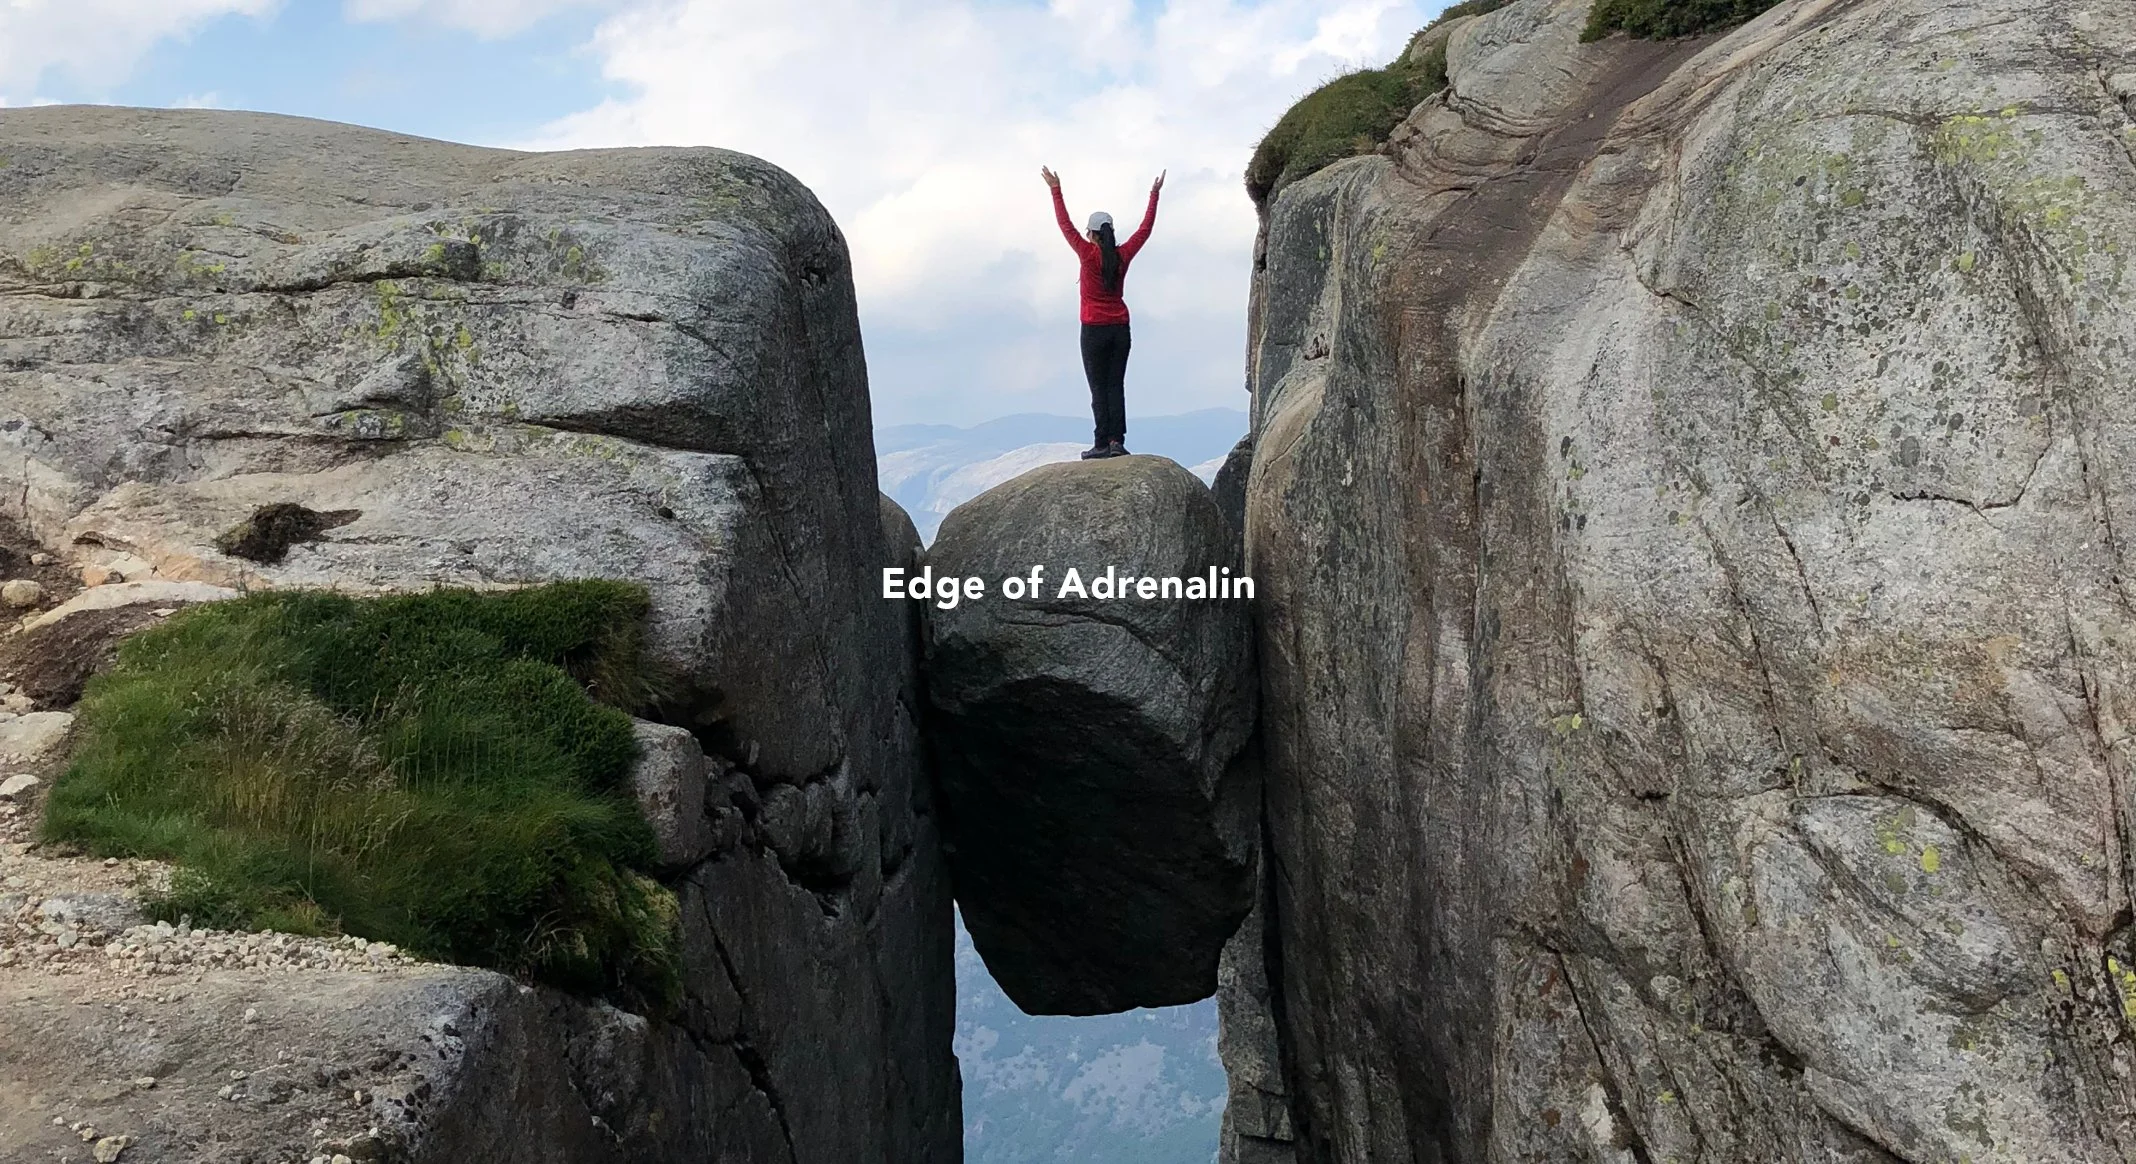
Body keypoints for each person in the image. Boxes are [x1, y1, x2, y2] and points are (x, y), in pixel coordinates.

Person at [1043, 165, 1162, 459]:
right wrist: (1154, 195)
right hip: (1120, 328)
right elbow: (1145, 230)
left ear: (1093, 234)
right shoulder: (1123, 255)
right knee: (1115, 385)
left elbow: (1065, 225)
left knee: (1098, 388)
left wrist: (1055, 190)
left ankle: (1100, 444)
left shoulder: (1086, 254)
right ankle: (1116, 442)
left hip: (1093, 329)